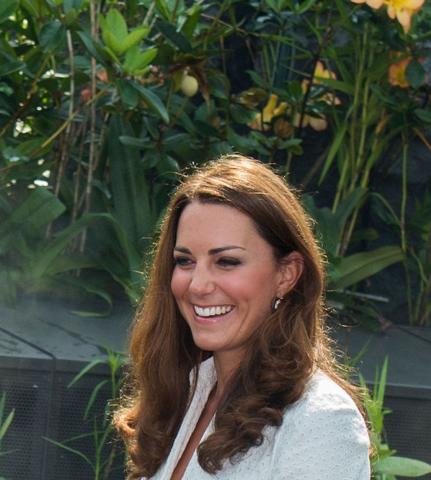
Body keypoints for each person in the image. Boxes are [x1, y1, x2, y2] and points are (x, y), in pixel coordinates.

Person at [112, 155, 370, 479]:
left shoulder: (320, 419)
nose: (198, 285)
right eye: (185, 261)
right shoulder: (189, 388)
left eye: (227, 262)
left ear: (286, 274)